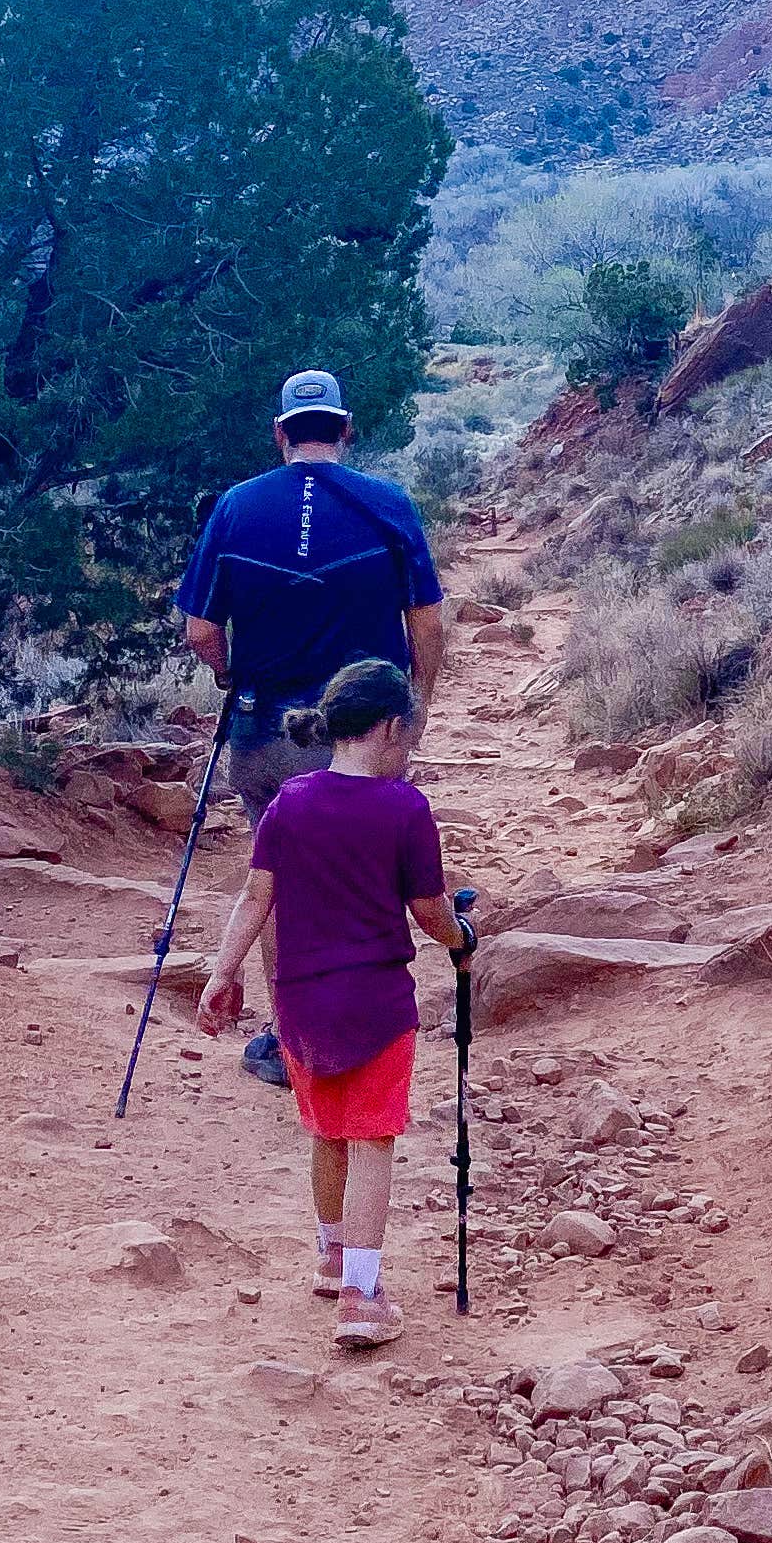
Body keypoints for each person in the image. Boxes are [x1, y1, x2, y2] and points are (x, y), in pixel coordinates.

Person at [175, 368, 446, 1089]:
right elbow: (427, 621)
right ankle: (364, 1032)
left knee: (278, 876)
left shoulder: (235, 508)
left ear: (280, 434)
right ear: (346, 428)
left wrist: (231, 677)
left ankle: (289, 1038)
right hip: (363, 730)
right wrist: (414, 707)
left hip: (266, 726)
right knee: (369, 871)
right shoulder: (387, 503)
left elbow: (201, 629)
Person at [195, 655, 468, 1349]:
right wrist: (462, 937)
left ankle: (332, 1255)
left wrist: (223, 973)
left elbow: (257, 896)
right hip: (376, 1001)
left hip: (301, 1004)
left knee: (327, 1133)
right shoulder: (405, 808)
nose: (407, 752)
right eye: (407, 738)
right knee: (373, 1139)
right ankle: (362, 1295)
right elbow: (428, 909)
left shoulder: (290, 802)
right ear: (386, 728)